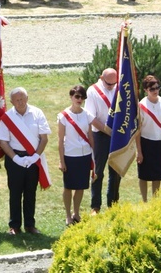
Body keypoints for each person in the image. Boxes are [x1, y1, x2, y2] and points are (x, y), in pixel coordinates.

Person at [0, 87, 51, 235]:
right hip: (15, 159)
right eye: (17, 100)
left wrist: (35, 157)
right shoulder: (7, 117)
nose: (20, 102)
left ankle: (30, 225)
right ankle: (14, 225)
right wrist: (15, 158)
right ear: (11, 101)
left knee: (30, 192)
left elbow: (44, 138)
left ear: (27, 98)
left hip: (33, 158)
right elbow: (3, 141)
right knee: (15, 192)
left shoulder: (37, 113)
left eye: (22, 99)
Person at [84, 68, 120, 214]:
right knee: (98, 171)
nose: (111, 86)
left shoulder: (118, 88)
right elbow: (91, 117)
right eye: (108, 83)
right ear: (101, 78)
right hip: (100, 136)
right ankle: (95, 206)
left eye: (113, 83)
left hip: (117, 135)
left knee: (116, 171)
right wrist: (107, 130)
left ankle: (113, 203)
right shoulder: (92, 91)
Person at [57, 85, 94, 226]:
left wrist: (94, 157)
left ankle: (76, 213)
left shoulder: (87, 114)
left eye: (82, 97)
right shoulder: (63, 116)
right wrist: (62, 161)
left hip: (85, 154)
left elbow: (90, 136)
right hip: (70, 155)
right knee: (68, 186)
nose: (79, 99)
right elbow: (60, 140)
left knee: (81, 186)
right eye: (77, 96)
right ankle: (67, 215)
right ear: (71, 97)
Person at [135, 75, 161, 202]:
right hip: (146, 143)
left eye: (157, 88)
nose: (155, 91)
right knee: (144, 175)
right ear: (146, 90)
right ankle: (144, 201)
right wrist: (139, 151)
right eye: (152, 89)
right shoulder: (141, 105)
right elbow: (137, 130)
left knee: (158, 174)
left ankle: (155, 200)